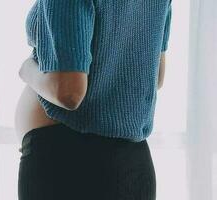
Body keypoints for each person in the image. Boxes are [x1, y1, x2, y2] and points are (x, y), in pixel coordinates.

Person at [15, 0, 172, 199]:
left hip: (66, 164)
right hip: (133, 165)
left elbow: (69, 93)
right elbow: (156, 77)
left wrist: (27, 69)